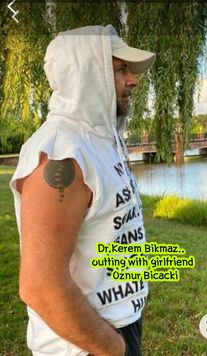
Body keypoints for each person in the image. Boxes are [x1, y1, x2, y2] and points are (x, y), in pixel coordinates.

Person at [10, 25, 155, 356]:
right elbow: (41, 285)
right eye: (120, 70)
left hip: (114, 327)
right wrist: (115, 349)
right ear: (87, 74)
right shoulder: (62, 154)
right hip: (84, 345)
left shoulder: (101, 140)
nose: (133, 80)